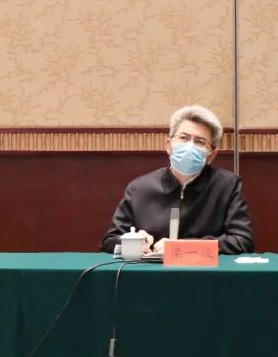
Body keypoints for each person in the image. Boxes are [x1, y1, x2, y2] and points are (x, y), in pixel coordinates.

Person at [100, 105, 253, 254]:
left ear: (211, 155)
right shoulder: (139, 188)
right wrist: (133, 241)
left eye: (199, 141)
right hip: (151, 270)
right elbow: (109, 241)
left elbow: (243, 241)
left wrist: (182, 247)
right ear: (169, 145)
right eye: (184, 138)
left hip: (204, 270)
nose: (190, 146)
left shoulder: (227, 185)